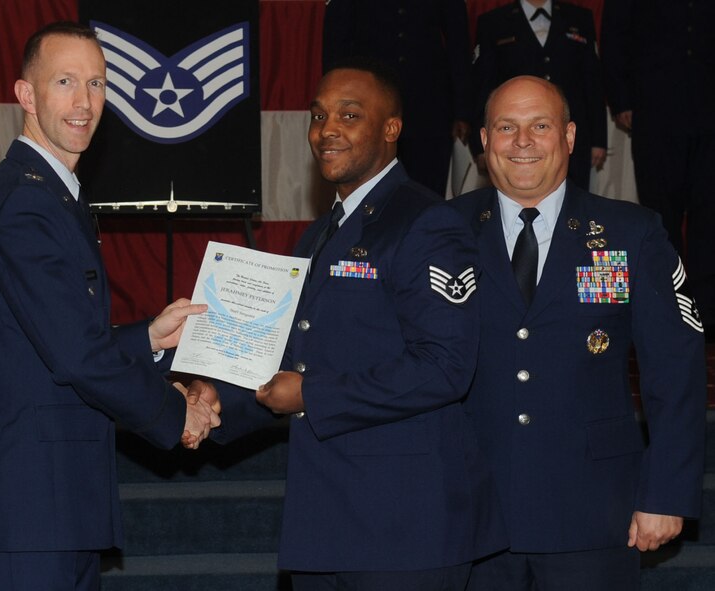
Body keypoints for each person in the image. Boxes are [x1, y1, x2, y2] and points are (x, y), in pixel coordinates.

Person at [189, 57, 505, 589]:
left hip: (407, 526)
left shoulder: (427, 223)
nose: (327, 130)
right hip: (325, 522)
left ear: (391, 128)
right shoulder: (317, 236)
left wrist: (313, 394)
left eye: (349, 115)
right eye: (318, 115)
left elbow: (446, 367)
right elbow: (289, 359)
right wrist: (220, 400)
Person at [0, 21, 219, 591]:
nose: (83, 102)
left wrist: (146, 336)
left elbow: (51, 343)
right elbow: (76, 357)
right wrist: (175, 415)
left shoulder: (51, 194)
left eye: (96, 84)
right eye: (65, 81)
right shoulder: (27, 203)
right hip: (27, 508)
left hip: (53, 503)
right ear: (27, 95)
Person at [448, 75, 706, 591]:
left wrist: (666, 494)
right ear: (483, 141)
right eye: (506, 127)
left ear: (568, 137)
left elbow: (675, 369)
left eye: (539, 126)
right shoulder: (441, 232)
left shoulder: (631, 232)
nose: (523, 142)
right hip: (468, 510)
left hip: (593, 510)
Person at [601, 0, 715, 338]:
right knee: (659, 214)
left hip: (710, 112)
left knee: (710, 215)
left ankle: (706, 311)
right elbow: (614, 37)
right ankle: (665, 306)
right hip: (655, 110)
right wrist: (621, 100)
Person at [322, 0, 473, 196]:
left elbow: (458, 44)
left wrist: (463, 110)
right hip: (369, 104)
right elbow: (336, 41)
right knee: (368, 188)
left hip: (429, 106)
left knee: (426, 192)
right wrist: (337, 105)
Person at [470, 0, 606, 191]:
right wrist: (479, 145)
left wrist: (599, 139)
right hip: (514, 140)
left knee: (575, 204)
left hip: (573, 138)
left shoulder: (579, 18)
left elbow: (592, 82)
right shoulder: (494, 22)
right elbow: (483, 88)